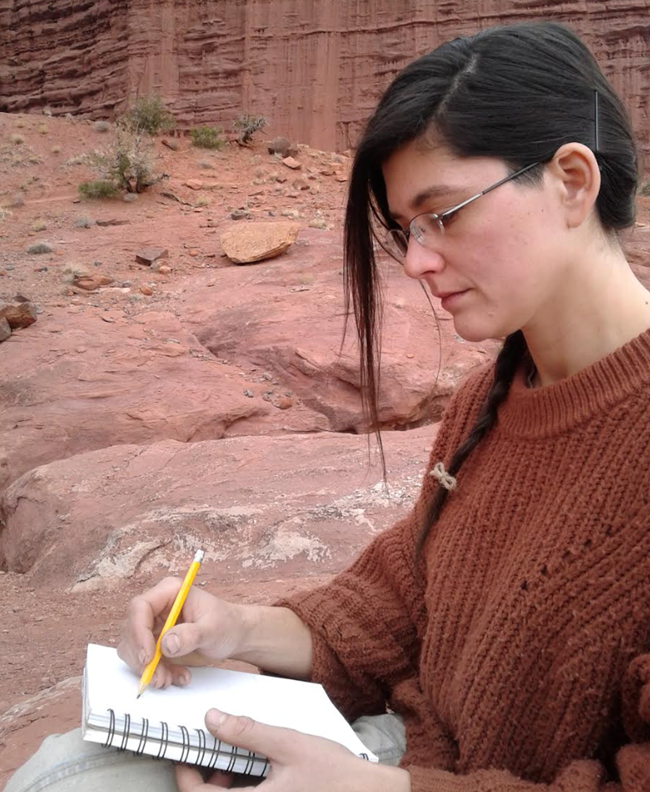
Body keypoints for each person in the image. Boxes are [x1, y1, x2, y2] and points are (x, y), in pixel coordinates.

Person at [7, 19, 650, 792]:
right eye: (406, 229)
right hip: (407, 753)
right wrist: (236, 626)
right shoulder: (493, 395)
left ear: (572, 181)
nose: (416, 261)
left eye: (443, 213)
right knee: (65, 770)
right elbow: (409, 603)